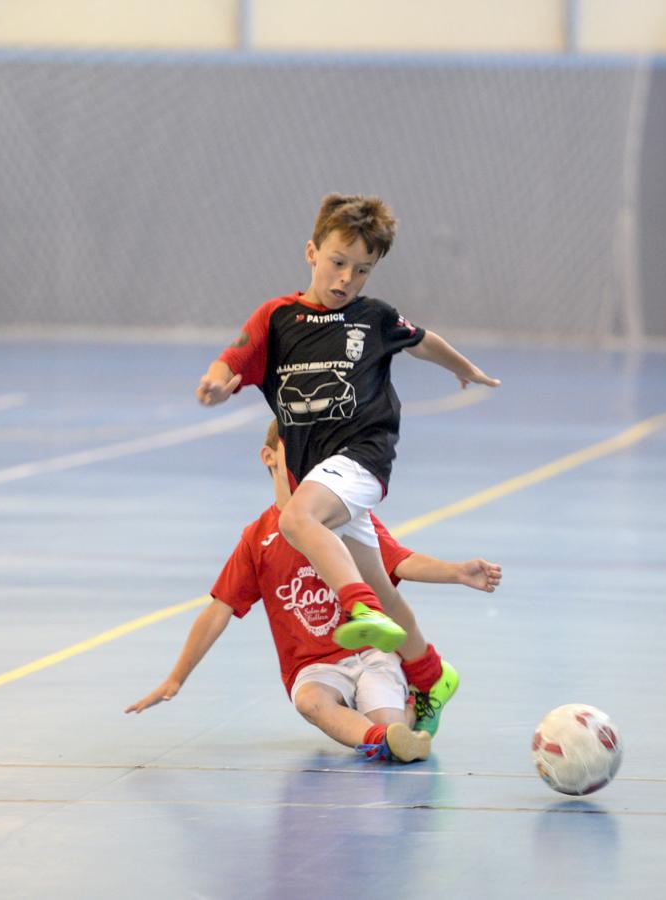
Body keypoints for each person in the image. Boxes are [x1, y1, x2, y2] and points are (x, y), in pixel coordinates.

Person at [194, 193, 499, 725]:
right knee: (384, 587)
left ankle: (357, 606)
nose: (346, 280)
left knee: (297, 519)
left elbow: (424, 341)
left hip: (362, 456)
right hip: (318, 473)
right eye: (338, 263)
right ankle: (430, 674)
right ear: (311, 252)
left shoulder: (373, 319)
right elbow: (237, 355)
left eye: (362, 271)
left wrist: (466, 368)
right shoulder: (278, 318)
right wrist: (218, 383)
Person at [125, 421, 502, 762]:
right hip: (313, 666)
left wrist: (456, 572)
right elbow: (217, 612)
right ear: (268, 456)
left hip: (369, 653)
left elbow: (399, 562)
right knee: (310, 702)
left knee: (388, 718)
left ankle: (404, 718)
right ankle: (387, 740)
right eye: (300, 450)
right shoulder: (258, 539)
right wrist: (176, 678)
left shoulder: (345, 516)